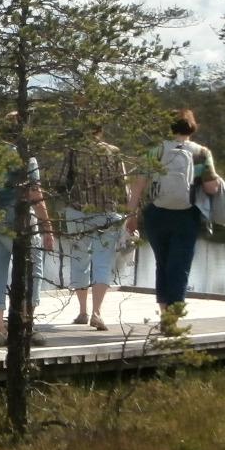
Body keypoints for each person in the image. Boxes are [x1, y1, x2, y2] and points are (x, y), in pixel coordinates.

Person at [125, 109, 220, 328]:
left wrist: (131, 214)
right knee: (180, 266)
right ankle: (172, 321)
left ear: (171, 127)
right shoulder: (201, 153)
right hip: (187, 215)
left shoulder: (156, 151)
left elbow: (138, 184)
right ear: (192, 127)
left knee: (162, 264)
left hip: (157, 214)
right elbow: (211, 187)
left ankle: (164, 314)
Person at [0, 153, 56, 348]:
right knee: (32, 271)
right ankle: (26, 324)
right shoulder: (26, 156)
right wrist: (47, 227)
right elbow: (35, 194)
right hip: (19, 222)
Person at [56, 138, 131, 332]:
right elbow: (123, 186)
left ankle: (83, 312)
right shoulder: (113, 151)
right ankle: (97, 312)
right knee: (103, 262)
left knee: (79, 261)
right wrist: (128, 213)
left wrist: (65, 205)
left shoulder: (73, 150)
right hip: (108, 213)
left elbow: (62, 182)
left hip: (78, 212)